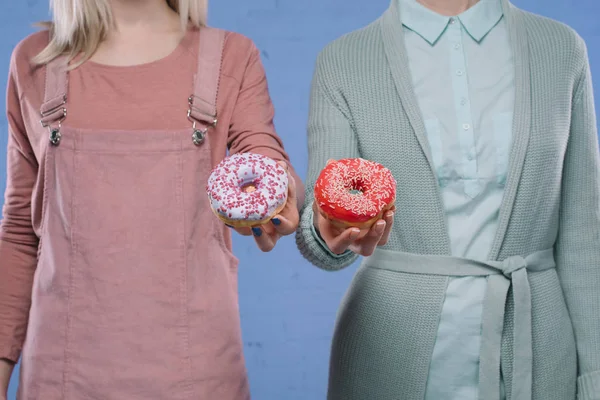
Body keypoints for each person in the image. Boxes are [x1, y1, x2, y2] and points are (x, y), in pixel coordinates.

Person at [296, 0, 599, 398]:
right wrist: (327, 234)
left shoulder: (561, 48)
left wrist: (593, 379)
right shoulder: (344, 60)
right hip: (386, 354)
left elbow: (584, 237)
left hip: (539, 354)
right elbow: (323, 216)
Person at [0, 0, 303, 398]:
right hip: (60, 378)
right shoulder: (35, 63)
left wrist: (277, 192)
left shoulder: (230, 57)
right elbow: (21, 235)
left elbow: (261, 150)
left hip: (199, 377)